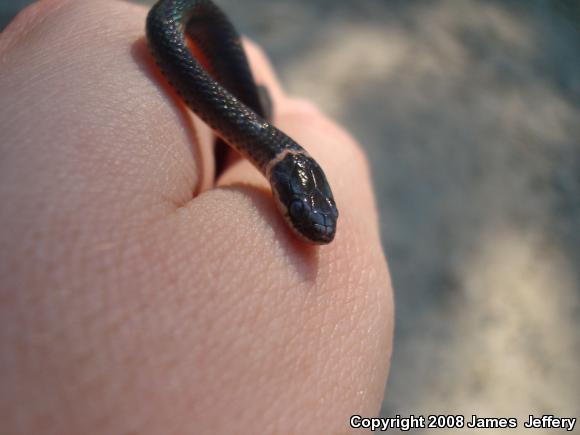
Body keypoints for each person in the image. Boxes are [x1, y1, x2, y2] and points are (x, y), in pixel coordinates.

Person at [0, 1, 393, 433]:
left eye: (317, 213)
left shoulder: (279, 153)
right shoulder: (171, 29)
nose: (314, 230)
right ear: (281, 183)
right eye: (299, 212)